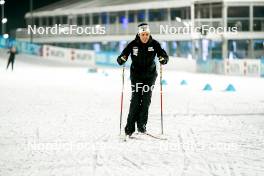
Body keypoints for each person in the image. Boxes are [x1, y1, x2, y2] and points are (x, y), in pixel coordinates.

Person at [117, 23, 169, 136]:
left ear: (149, 34)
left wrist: (163, 59)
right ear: (139, 34)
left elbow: (164, 56)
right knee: (135, 101)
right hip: (136, 76)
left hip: (150, 76)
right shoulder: (132, 44)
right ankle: (129, 129)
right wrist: (122, 59)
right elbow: (122, 56)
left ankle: (141, 126)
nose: (145, 36)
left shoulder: (154, 44)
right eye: (143, 34)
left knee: (146, 101)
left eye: (146, 34)